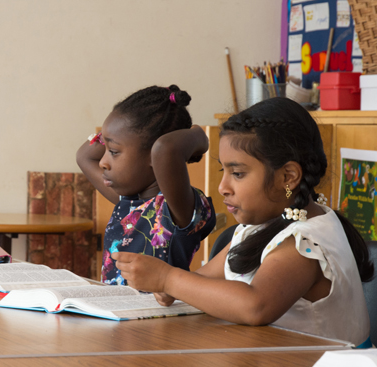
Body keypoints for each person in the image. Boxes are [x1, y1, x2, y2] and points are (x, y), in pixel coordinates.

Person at [113, 97, 374, 346]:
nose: (223, 186)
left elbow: (256, 305)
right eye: (223, 171)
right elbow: (206, 281)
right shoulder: (258, 227)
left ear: (288, 177)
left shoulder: (306, 241)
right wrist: (172, 288)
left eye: (237, 173)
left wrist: (168, 279)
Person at [76, 85, 215, 286]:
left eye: (113, 151)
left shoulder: (176, 209)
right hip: (116, 312)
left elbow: (166, 149)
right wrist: (109, 136)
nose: (103, 162)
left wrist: (199, 135)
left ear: (154, 156)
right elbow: (84, 156)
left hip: (159, 316)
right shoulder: (128, 203)